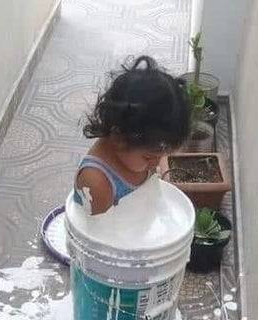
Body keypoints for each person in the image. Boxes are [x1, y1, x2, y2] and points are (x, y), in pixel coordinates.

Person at [74, 56, 190, 215]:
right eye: (149, 157)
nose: (157, 164)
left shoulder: (140, 151)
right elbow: (97, 235)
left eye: (163, 156)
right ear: (118, 138)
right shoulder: (97, 183)